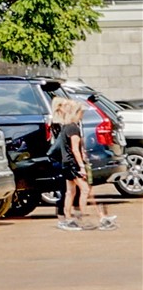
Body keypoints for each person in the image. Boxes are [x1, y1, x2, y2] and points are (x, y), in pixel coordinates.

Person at [52, 91, 114, 231]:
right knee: (84, 190)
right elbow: (75, 149)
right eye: (81, 113)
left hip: (66, 163)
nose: (82, 115)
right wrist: (81, 166)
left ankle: (69, 218)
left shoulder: (66, 127)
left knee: (70, 192)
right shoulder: (73, 128)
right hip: (73, 163)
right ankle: (81, 217)